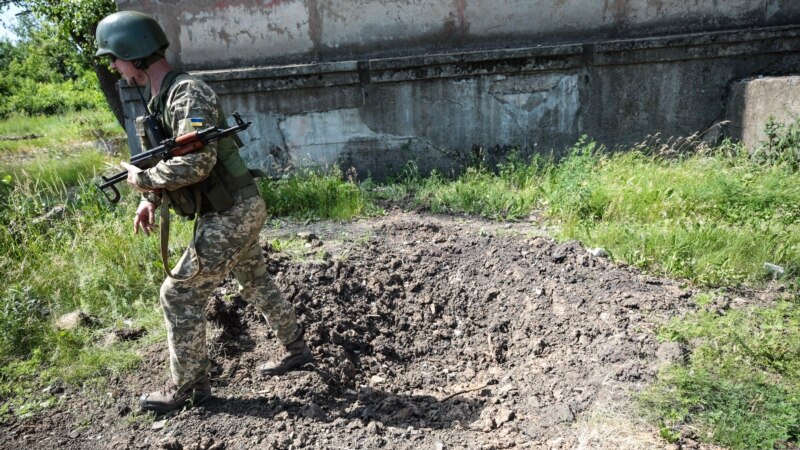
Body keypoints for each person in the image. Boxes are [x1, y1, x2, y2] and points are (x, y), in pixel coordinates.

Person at [94, 11, 313, 413]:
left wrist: (141, 182)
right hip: (234, 208)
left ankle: (191, 389)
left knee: (178, 294)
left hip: (232, 212)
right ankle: (297, 348)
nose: (113, 67)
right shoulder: (162, 101)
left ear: (135, 53)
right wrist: (151, 198)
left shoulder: (187, 94)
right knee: (254, 279)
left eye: (115, 58)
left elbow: (196, 165)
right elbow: (172, 161)